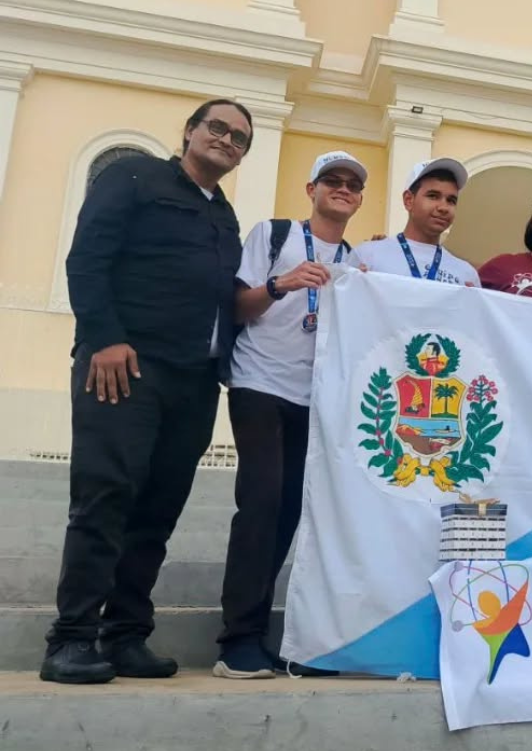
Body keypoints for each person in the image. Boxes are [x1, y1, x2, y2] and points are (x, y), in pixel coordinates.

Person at [43, 99, 252, 684]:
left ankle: (125, 634)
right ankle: (72, 638)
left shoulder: (224, 215)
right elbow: (87, 258)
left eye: (240, 137)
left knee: (157, 510)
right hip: (124, 367)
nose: (228, 140)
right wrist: (105, 338)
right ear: (189, 131)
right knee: (105, 497)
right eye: (218, 128)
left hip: (194, 380)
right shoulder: (132, 176)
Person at [214, 151, 366, 679]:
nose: (342, 189)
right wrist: (284, 283)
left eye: (352, 184)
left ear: (360, 199)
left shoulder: (356, 261)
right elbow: (237, 306)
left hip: (316, 398)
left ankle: (268, 635)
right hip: (258, 381)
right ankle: (237, 639)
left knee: (289, 515)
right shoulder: (272, 235)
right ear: (312, 188)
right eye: (333, 180)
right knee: (260, 502)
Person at [348, 158, 479, 285]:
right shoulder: (367, 256)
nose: (443, 207)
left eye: (451, 200)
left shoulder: (466, 275)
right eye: (433, 196)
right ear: (408, 200)